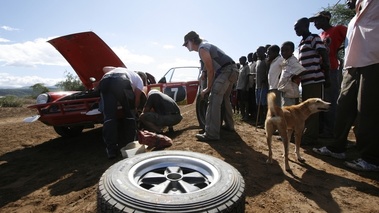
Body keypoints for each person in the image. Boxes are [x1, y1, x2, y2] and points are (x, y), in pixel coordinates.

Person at [313, 0, 379, 172]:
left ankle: (370, 158)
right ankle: (337, 147)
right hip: (351, 66)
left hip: (373, 60)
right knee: (343, 106)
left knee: (367, 109)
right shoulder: (355, 16)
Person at [182, 31, 238, 141]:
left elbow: (211, 70)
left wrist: (208, 88)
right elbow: (208, 65)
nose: (186, 46)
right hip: (233, 70)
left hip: (226, 71)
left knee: (213, 98)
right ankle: (229, 125)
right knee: (225, 98)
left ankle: (211, 134)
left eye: (186, 43)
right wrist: (203, 72)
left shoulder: (202, 49)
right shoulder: (205, 46)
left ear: (192, 41)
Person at [310, 11, 348, 138]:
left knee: (330, 100)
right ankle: (322, 128)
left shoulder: (338, 29)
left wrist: (342, 53)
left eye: (317, 20)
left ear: (325, 19)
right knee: (321, 101)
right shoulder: (321, 35)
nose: (315, 23)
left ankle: (331, 131)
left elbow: (353, 38)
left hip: (331, 69)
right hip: (319, 71)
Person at [294, 17, 331, 145]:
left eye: (298, 28)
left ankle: (311, 137)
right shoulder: (302, 42)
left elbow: (324, 54)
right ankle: (307, 133)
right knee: (306, 109)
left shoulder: (314, 38)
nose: (296, 31)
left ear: (305, 26)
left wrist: (327, 76)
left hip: (315, 79)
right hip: (306, 81)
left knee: (314, 109)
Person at [99, 66, 144, 159]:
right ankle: (130, 144)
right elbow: (137, 98)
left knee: (109, 118)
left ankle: (111, 150)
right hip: (121, 80)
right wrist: (134, 108)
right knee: (129, 116)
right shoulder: (139, 80)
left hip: (105, 80)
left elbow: (104, 68)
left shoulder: (118, 70)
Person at [278, 41, 305, 106]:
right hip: (285, 91)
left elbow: (302, 70)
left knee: (290, 111)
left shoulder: (293, 61)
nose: (284, 52)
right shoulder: (286, 61)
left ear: (292, 50)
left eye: (287, 50)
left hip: (291, 93)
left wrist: (294, 77)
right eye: (282, 51)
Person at [255, 46, 269, 126]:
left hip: (264, 86)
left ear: (263, 51)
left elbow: (268, 72)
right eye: (257, 52)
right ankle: (260, 120)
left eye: (259, 51)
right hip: (257, 86)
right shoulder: (258, 61)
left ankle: (265, 121)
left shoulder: (266, 61)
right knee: (258, 104)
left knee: (264, 105)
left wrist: (265, 79)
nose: (257, 53)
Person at [236, 56, 250, 121]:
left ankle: (246, 116)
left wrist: (245, 86)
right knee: (240, 102)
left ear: (244, 60)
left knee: (245, 102)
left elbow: (247, 77)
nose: (240, 61)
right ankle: (242, 115)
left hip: (243, 87)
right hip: (239, 87)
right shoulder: (241, 68)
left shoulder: (247, 67)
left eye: (241, 60)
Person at [247, 52, 257, 119]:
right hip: (249, 85)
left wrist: (251, 74)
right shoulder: (250, 65)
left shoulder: (255, 64)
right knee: (250, 100)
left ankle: (255, 115)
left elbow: (256, 73)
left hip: (254, 84)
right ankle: (251, 114)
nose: (249, 59)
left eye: (250, 57)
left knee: (254, 101)